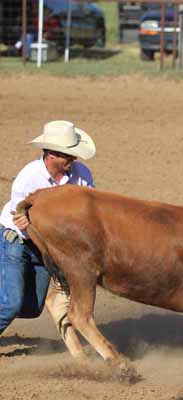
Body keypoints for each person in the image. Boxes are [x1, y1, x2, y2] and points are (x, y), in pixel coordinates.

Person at [0, 120, 96, 356]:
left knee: (31, 308)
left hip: (47, 247)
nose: (73, 159)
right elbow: (21, 221)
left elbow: (90, 211)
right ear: (52, 154)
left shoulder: (82, 175)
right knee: (11, 303)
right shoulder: (28, 178)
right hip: (18, 241)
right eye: (67, 155)